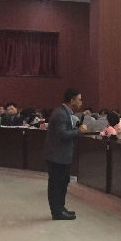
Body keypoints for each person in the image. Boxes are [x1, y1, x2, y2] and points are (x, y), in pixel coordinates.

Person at [43, 88, 88, 220]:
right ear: (72, 100)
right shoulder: (61, 114)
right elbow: (62, 134)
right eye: (79, 99)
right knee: (56, 184)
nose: (81, 102)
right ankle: (57, 212)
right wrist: (79, 131)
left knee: (62, 183)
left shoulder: (64, 112)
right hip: (57, 156)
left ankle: (60, 208)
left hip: (60, 155)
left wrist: (75, 129)